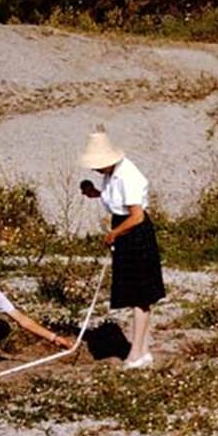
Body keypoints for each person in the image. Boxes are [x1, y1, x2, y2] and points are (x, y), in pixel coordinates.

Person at [78, 131, 165, 369]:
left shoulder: (128, 175)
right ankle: (142, 351)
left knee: (141, 295)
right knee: (134, 293)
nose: (95, 169)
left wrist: (114, 233)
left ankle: (136, 353)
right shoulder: (111, 174)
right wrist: (96, 193)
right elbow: (117, 202)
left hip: (135, 233)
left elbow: (137, 216)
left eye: (97, 165)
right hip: (124, 229)